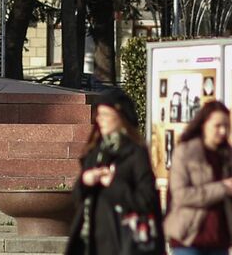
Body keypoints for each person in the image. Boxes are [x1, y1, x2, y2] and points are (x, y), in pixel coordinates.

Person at [67, 89, 163, 255]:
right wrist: (85, 181)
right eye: (99, 115)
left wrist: (114, 184)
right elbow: (77, 197)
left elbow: (147, 200)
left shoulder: (135, 153)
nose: (100, 120)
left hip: (123, 242)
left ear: (121, 117)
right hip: (91, 241)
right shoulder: (96, 151)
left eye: (105, 115)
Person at [167, 100, 232, 255]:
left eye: (226, 126)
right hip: (189, 237)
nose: (223, 131)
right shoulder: (185, 152)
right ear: (204, 125)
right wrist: (222, 188)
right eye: (217, 126)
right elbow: (180, 195)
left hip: (219, 237)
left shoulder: (227, 154)